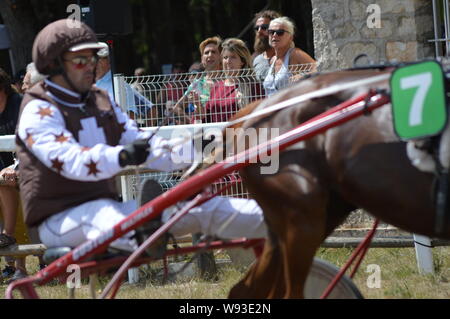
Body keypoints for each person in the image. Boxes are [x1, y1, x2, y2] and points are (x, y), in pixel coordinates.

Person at [16, 20, 266, 259]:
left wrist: (207, 145)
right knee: (101, 214)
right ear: (53, 65)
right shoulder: (39, 110)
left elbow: (150, 146)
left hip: (110, 211)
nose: (92, 65)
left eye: (94, 58)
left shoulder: (102, 101)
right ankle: (145, 234)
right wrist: (123, 156)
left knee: (201, 207)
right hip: (58, 219)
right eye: (81, 59)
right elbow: (70, 161)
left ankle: (283, 218)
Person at [0, 67, 26, 282]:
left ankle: (18, 264)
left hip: (25, 166)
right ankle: (12, 265)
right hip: (2, 170)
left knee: (7, 184)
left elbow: (28, 142)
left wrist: (15, 167)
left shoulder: (20, 105)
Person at [201, 38, 264, 123]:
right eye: (225, 57)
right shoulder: (216, 87)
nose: (228, 61)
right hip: (217, 134)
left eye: (233, 57)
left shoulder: (253, 86)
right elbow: (207, 118)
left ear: (242, 61)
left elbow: (260, 117)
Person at [95, 43, 155, 127]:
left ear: (109, 61)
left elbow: (134, 115)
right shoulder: (84, 83)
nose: (98, 62)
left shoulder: (121, 86)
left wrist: (148, 132)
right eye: (95, 58)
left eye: (102, 58)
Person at [171, 36, 223, 124]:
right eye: (206, 53)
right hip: (202, 132)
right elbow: (176, 108)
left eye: (214, 52)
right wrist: (190, 121)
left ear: (221, 56)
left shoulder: (229, 80)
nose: (210, 55)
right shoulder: (197, 84)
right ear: (202, 59)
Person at [263, 16, 317, 97]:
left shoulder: (295, 54)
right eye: (271, 32)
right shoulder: (272, 59)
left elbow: (320, 68)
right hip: (273, 107)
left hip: (291, 106)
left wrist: (303, 76)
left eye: (280, 32)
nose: (274, 35)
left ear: (290, 37)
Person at [252, 10, 282, 82]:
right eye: (257, 28)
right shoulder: (255, 59)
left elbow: (313, 71)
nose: (259, 31)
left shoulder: (290, 54)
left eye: (264, 27)